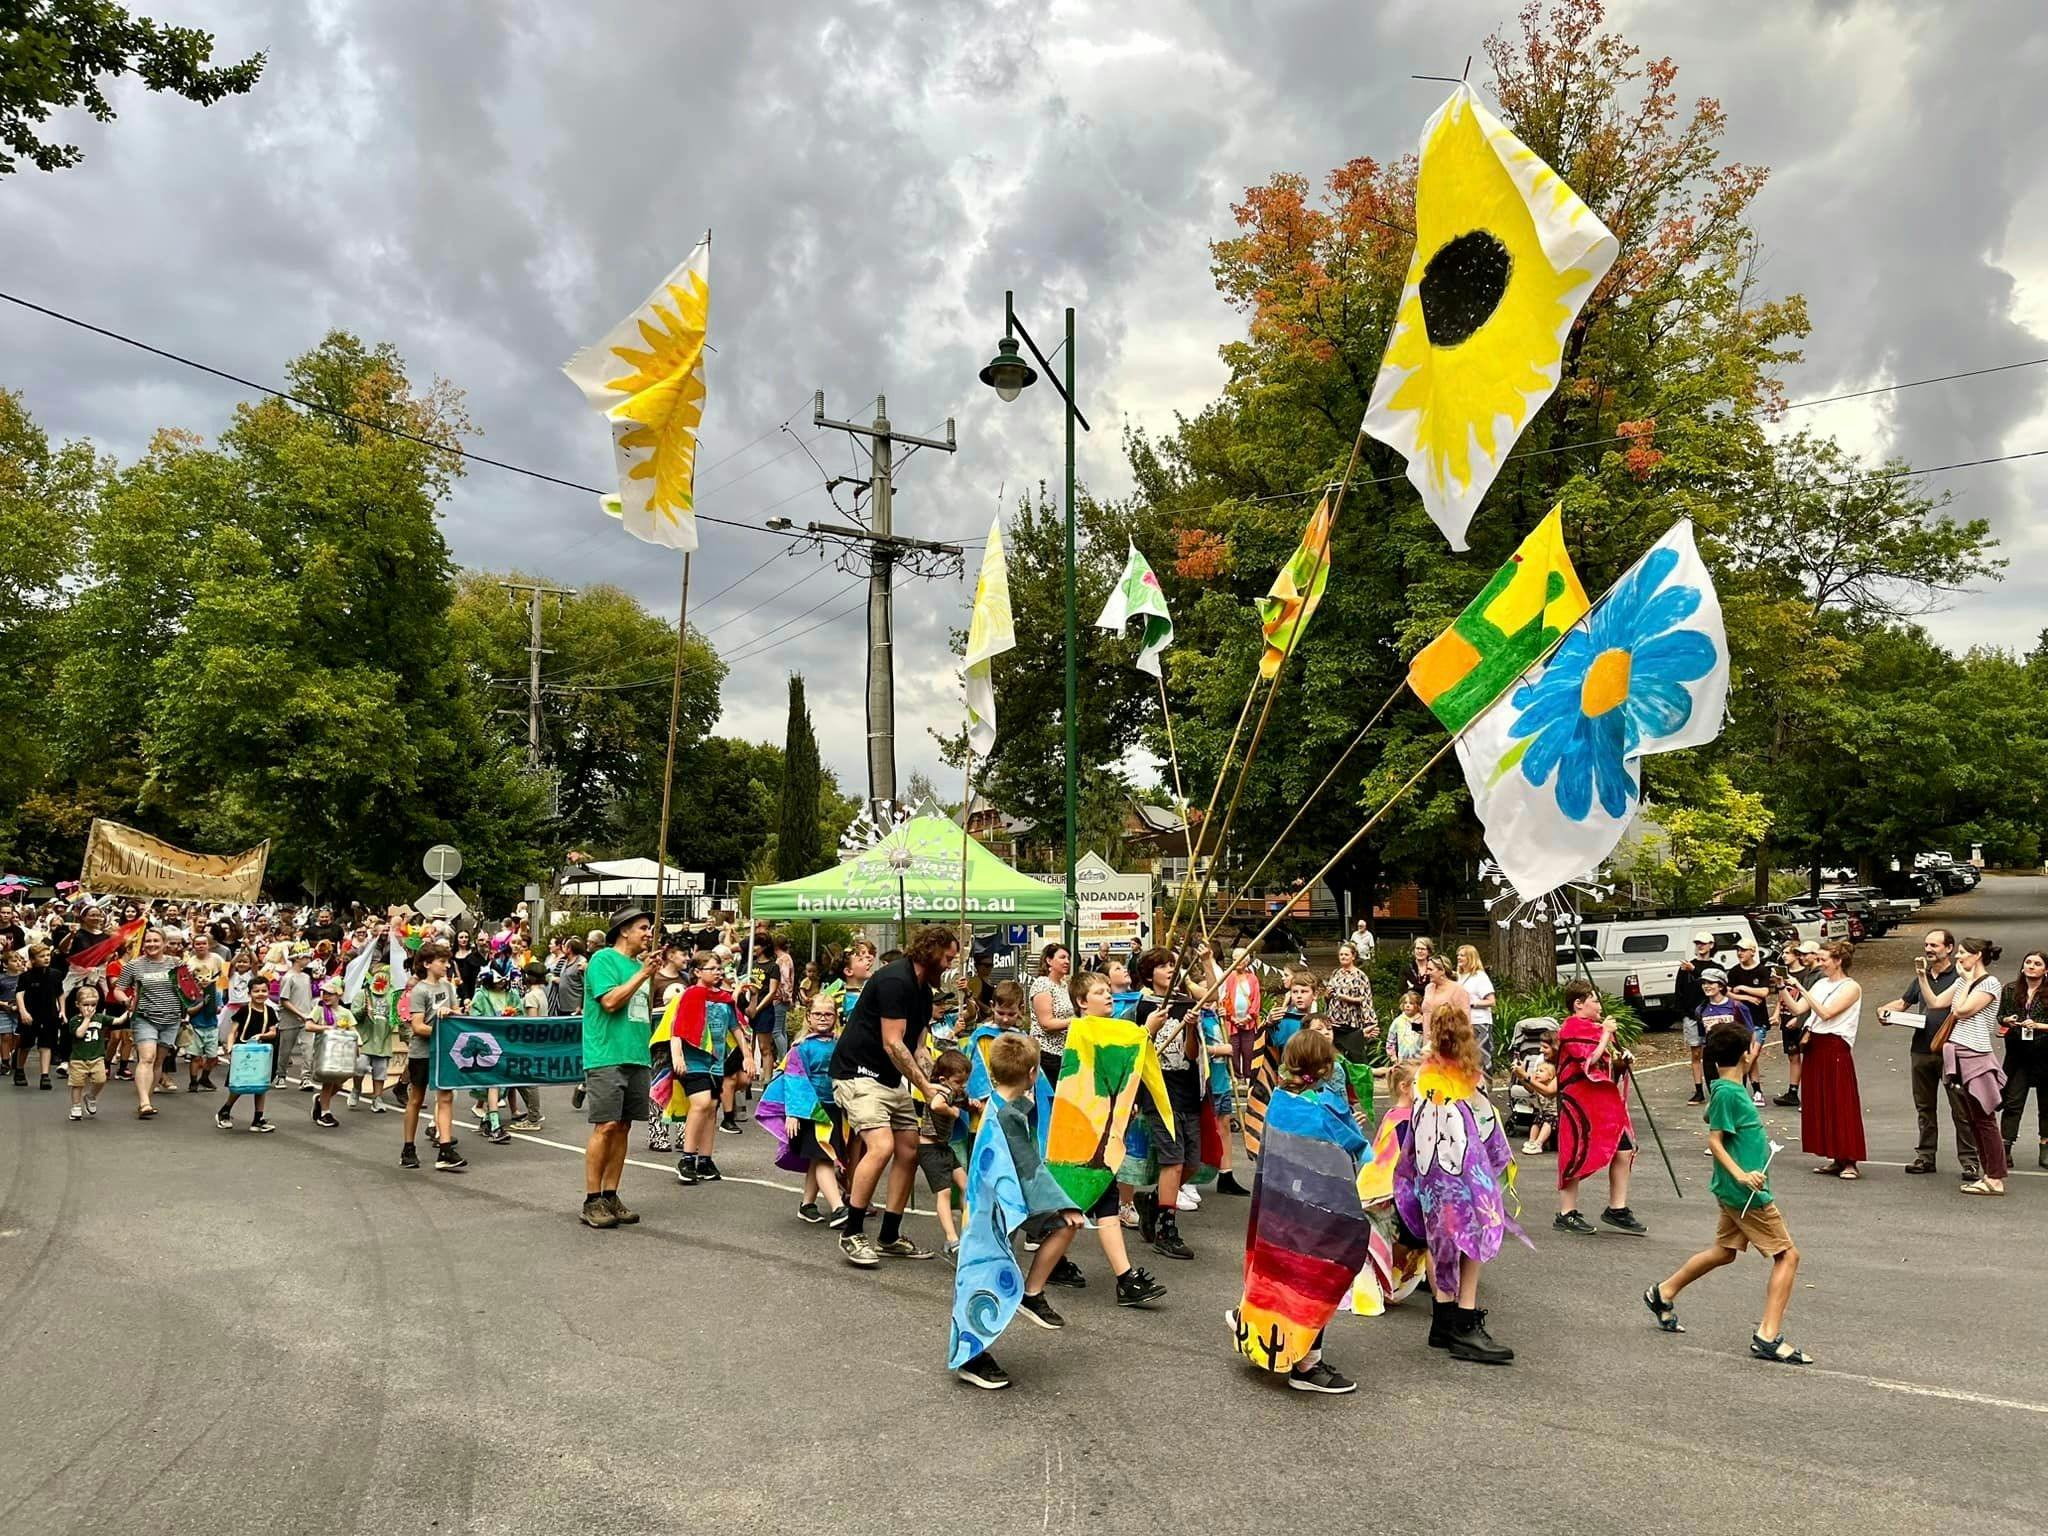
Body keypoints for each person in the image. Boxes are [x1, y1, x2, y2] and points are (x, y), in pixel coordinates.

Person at [1644, 1020, 1810, 1363]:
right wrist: (1743, 1174)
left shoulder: (1726, 1089)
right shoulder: (1729, 1093)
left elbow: (1711, 1116)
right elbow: (1714, 1139)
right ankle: (1767, 1335)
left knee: (1725, 1251)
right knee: (1788, 1256)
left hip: (1733, 1191)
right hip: (1745, 1194)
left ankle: (1664, 1292)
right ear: (1748, 1052)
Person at [950, 1032, 1089, 1391]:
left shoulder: (1004, 1106)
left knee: (1063, 1227)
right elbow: (1029, 1166)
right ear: (1032, 1072)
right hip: (994, 1206)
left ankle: (1031, 1293)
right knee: (983, 1273)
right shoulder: (1005, 1117)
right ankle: (970, 1356)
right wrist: (1064, 1202)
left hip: (1011, 1198)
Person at [1396, 1003, 1519, 1364]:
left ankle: (1443, 1318)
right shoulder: (1460, 1082)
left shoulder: (1425, 1076)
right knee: (1472, 1238)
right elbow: (1479, 1135)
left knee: (1440, 1242)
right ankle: (1464, 1321)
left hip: (1432, 1180)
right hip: (1458, 1181)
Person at [830, 923, 956, 1267]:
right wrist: (926, 1089)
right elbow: (892, 1042)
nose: (949, 966)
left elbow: (917, 1048)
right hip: (857, 1074)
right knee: (882, 1145)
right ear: (931, 952)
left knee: (909, 1148)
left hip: (889, 1078)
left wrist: (940, 1081)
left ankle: (889, 1236)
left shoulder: (924, 992)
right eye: (946, 958)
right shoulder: (894, 980)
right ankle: (852, 1232)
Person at [1878, 929, 1981, 1179]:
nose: (1928, 949)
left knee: (1961, 1108)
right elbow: (1903, 1003)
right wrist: (1884, 1010)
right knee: (1924, 1107)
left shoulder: (1960, 976)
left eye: (1934, 945)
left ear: (1949, 948)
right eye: (1926, 944)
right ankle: (1925, 1156)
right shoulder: (1920, 978)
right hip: (1921, 1049)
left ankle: (1970, 1161)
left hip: (1952, 1050)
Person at [578, 909, 657, 1227]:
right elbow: (610, 1002)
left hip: (636, 1054)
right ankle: (591, 1199)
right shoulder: (603, 960)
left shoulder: (640, 966)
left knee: (624, 1126)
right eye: (643, 928)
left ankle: (611, 1194)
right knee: (606, 1125)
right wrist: (642, 975)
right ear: (624, 931)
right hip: (606, 1054)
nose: (648, 933)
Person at [1553, 980, 1644, 1236]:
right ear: (1578, 1004)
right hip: (1579, 1103)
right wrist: (1605, 1033)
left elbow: (1605, 1066)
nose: (1600, 1006)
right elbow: (1588, 1061)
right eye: (1595, 1000)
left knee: (1624, 1149)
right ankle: (1566, 1213)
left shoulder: (1596, 1029)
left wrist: (1622, 1063)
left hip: (1604, 1102)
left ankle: (1617, 1208)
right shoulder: (1570, 1028)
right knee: (1576, 1154)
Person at [1132, 946, 1202, 1262]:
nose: (1171, 970)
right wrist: (1152, 1028)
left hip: (1186, 1090)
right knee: (1172, 1160)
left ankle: (1155, 1200)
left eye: (1173, 964)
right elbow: (1136, 1051)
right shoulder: (1143, 1006)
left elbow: (1191, 1054)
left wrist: (1189, 1027)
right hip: (1158, 1093)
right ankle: (1167, 1228)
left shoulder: (1187, 1004)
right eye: (1163, 966)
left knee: (1192, 1163)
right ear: (1149, 974)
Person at [1781, 940, 1864, 1179]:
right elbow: (1798, 1009)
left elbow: (1826, 1013)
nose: (1819, 963)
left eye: (1823, 959)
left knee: (1841, 1102)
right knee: (1822, 1101)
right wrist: (1782, 988)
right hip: (1815, 1045)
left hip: (1835, 1046)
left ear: (1838, 961)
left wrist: (1802, 987)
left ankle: (1850, 1160)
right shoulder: (1820, 984)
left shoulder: (1851, 987)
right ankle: (1834, 1157)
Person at [1941, 937, 2008, 1197]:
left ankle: (1995, 1177)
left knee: (1985, 1118)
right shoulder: (1962, 981)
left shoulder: (1989, 983)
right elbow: (1937, 1002)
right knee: (1974, 1118)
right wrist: (1923, 976)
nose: (1958, 957)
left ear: (1977, 955)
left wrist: (1967, 980)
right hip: (1960, 1052)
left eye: (1962, 953)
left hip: (1976, 1054)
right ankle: (1990, 1175)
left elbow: (1961, 1011)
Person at [402, 944, 467, 1174]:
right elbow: (418, 1026)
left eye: (447, 961)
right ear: (427, 964)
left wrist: (453, 1014)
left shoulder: (448, 987)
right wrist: (441, 1030)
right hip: (422, 1052)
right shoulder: (420, 991)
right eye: (442, 961)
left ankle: (445, 1149)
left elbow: (457, 1014)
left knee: (446, 1097)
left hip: (444, 1051)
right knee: (416, 1099)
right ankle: (408, 1147)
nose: (447, 965)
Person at [121, 929, 187, 1117]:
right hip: (145, 1016)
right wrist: (126, 1001)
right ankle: (144, 1102)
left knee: (158, 1060)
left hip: (171, 1018)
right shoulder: (134, 965)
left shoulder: (176, 964)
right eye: (148, 941)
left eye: (156, 941)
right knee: (147, 1057)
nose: (151, 944)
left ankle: (147, 1100)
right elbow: (119, 988)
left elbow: (188, 990)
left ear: (164, 943)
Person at [918, 1048, 973, 1259]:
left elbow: (965, 1103)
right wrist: (953, 1112)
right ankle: (952, 1239)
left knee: (966, 1185)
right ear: (944, 1079)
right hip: (929, 1148)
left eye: (965, 1081)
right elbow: (936, 1105)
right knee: (944, 1193)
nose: (963, 1086)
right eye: (959, 1082)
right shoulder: (941, 1091)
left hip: (944, 1147)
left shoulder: (956, 1091)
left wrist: (972, 1105)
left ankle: (968, 1232)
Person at [1997, 949, 2048, 1171]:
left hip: (2045, 1054)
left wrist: (2038, 1026)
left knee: (2046, 1105)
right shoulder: (2010, 989)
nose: (2031, 966)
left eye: (2037, 963)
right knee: (2012, 1102)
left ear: (2046, 970)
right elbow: (2000, 1016)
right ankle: (2005, 1148)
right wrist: (2007, 1020)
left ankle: (2045, 1146)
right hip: (2018, 1054)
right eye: (2028, 962)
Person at [215, 981, 278, 1133]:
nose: (260, 994)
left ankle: (258, 1119)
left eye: (264, 990)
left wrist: (261, 1036)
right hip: (243, 1052)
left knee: (261, 1086)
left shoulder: (270, 1011)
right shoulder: (243, 1011)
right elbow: (233, 1032)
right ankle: (224, 1111)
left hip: (262, 1053)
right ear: (249, 993)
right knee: (239, 1084)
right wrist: (230, 1048)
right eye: (256, 991)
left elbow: (273, 1032)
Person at [1772, 938, 1822, 1107]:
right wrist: (1778, 1012)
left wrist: (1801, 1021)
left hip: (1808, 1023)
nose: (1802, 956)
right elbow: (1788, 1000)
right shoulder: (1803, 974)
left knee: (1811, 1059)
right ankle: (1796, 1093)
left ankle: (1813, 1096)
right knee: (1795, 1056)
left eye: (1804, 953)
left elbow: (1813, 1004)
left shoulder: (1814, 976)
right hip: (1793, 1018)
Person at [1724, 940, 1773, 1104]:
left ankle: (1736, 1083)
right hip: (1739, 1020)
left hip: (1758, 1020)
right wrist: (1745, 997)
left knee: (1753, 1053)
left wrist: (1744, 988)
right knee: (1746, 1055)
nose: (1740, 953)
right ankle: (1756, 1090)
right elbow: (1727, 992)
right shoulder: (1734, 971)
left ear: (1753, 951)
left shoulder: (1762, 970)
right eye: (1738, 950)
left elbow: (1764, 991)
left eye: (1743, 950)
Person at [305, 975, 355, 1129]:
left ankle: (320, 1101)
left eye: (330, 994)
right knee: (328, 1082)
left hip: (342, 1053)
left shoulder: (345, 1013)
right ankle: (325, 1112)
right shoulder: (319, 1009)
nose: (326, 996)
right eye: (324, 993)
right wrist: (326, 1028)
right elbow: (309, 1026)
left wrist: (357, 1047)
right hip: (325, 1052)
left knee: (339, 1083)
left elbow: (353, 1031)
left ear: (339, 994)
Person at [63, 980, 117, 1121]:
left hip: (97, 1057)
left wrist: (129, 1011)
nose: (90, 1008)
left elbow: (116, 1021)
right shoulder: (75, 1020)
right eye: (85, 1005)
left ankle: (91, 1096)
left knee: (101, 1079)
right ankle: (75, 1107)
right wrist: (87, 1019)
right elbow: (79, 1034)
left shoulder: (100, 1018)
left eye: (93, 1005)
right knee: (77, 1084)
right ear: (77, 1005)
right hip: (78, 1058)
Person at [1686, 966, 1741, 1104]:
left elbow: (1747, 1032)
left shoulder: (1736, 1006)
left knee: (1735, 1093)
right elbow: (1702, 1034)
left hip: (1733, 1054)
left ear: (1721, 985)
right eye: (1704, 983)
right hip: (1711, 1054)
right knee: (1716, 1093)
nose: (1706, 986)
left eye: (1711, 983)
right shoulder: (1701, 1010)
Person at [15, 943, 63, 1093]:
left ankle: (45, 1075)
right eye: (42, 956)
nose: (46, 958)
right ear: (33, 959)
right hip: (30, 1014)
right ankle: (19, 1069)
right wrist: (23, 1012)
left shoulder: (55, 974)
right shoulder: (26, 976)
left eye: (48, 955)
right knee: (26, 1044)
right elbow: (19, 994)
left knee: (46, 1045)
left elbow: (60, 993)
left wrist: (62, 1011)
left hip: (49, 1014)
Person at [1028, 942, 1074, 1085]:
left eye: (1068, 958)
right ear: (1049, 960)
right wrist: (1075, 1022)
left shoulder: (1064, 985)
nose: (1067, 961)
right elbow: (1046, 1023)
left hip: (1063, 1053)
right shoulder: (1042, 984)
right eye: (1062, 957)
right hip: (1046, 1054)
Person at [274, 946, 315, 1089]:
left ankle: (306, 1077)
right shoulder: (288, 977)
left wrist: (309, 1014)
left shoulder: (306, 977)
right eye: (306, 957)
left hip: (306, 1018)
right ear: (298, 959)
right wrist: (300, 1014)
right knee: (285, 1049)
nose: (308, 960)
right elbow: (284, 1000)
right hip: (290, 1018)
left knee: (308, 1048)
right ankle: (281, 1075)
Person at [1454, 944, 1496, 1070]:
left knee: (1481, 1057)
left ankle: (1485, 1085)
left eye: (1462, 955)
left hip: (1479, 1022)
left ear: (1471, 958)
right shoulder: (1459, 977)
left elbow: (1491, 1001)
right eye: (1458, 955)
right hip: (1462, 1022)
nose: (1459, 958)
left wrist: (1472, 1003)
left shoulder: (1479, 976)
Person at [1388, 990, 1426, 1063]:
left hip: (1419, 1060)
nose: (1407, 1005)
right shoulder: (1398, 1021)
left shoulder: (1422, 1021)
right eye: (1405, 1003)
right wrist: (1393, 1056)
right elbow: (1390, 1040)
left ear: (1417, 1005)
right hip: (1402, 1060)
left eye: (1411, 1003)